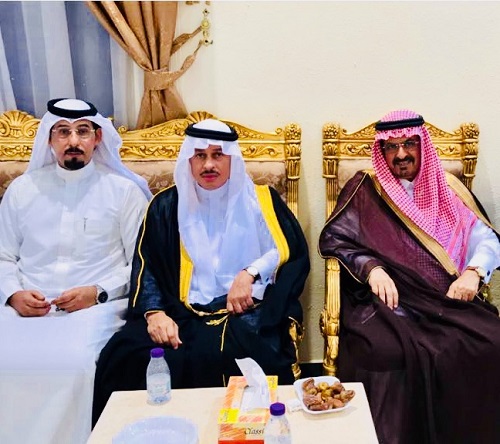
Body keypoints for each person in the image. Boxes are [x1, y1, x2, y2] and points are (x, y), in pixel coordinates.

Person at [92, 119, 310, 424]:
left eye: (218, 155)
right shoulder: (166, 205)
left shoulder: (260, 200)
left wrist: (249, 273)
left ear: (232, 158)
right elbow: (148, 263)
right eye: (200, 156)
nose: (209, 164)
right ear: (189, 160)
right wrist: (154, 313)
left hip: (243, 310)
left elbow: (287, 248)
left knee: (244, 351)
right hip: (178, 309)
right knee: (125, 353)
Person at [318, 109, 500, 444]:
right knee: (383, 352)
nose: (401, 154)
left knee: (491, 341)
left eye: (409, 144)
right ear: (382, 151)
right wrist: (371, 267)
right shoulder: (366, 188)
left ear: (422, 144)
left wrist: (474, 272)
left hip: (446, 299)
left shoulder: (450, 188)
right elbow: (335, 238)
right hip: (388, 301)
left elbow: (486, 239)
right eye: (391, 147)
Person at [0, 98, 150, 444]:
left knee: (72, 363)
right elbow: (3, 256)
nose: (73, 141)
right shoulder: (22, 190)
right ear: (49, 139)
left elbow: (141, 264)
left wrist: (96, 292)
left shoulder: (124, 192)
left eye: (83, 131)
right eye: (63, 132)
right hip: (25, 309)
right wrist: (13, 294)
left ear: (97, 138)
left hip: (94, 309)